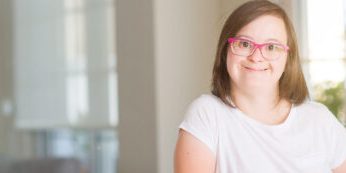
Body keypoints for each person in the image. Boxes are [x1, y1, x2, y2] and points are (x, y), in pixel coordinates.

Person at [174, 0, 346, 173]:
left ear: (288, 58)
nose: (256, 57)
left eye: (271, 47)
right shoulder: (207, 115)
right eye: (244, 44)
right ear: (225, 50)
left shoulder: (319, 119)